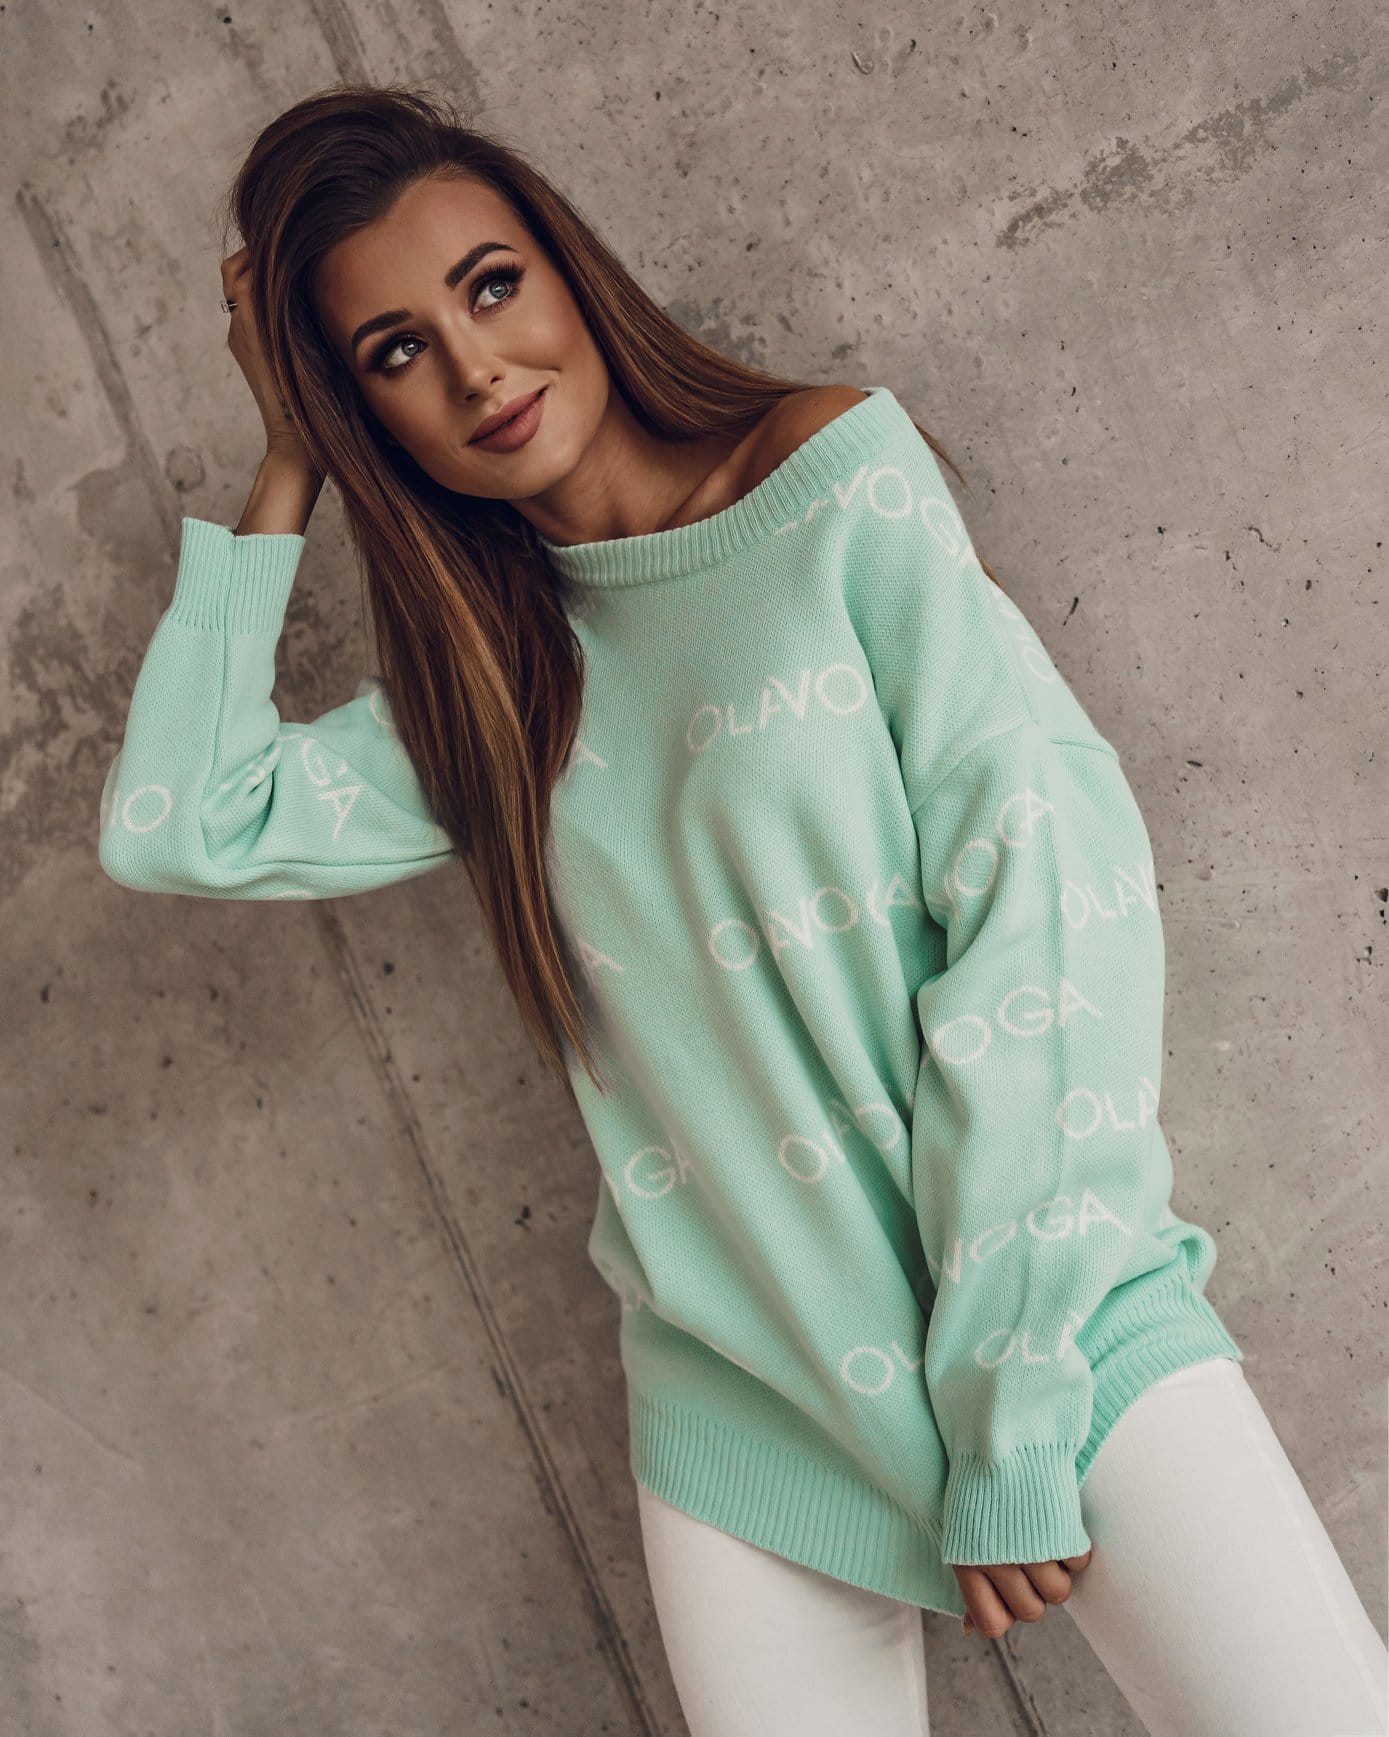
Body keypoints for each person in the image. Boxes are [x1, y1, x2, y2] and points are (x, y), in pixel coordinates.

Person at [99, 85, 1389, 1737]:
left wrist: (1006, 1405)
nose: (477, 368)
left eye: (491, 286)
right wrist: (287, 457)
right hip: (748, 1396)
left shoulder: (833, 480)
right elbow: (181, 824)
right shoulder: (489, 688)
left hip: (1049, 1319)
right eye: (394, 352)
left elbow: (1048, 917)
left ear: (566, 270)